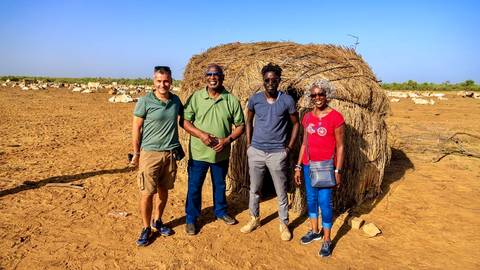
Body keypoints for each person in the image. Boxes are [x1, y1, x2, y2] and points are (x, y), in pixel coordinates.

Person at [183, 64, 245, 235]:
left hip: (221, 153)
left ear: (222, 77)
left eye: (216, 74)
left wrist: (227, 140)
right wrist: (201, 134)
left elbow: (240, 126)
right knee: (194, 186)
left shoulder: (230, 100)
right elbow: (185, 122)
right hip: (198, 153)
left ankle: (221, 212)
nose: (212, 77)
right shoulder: (196, 97)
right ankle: (191, 218)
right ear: (205, 77)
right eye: (209, 74)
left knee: (220, 184)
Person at [240, 63, 300, 241]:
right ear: (263, 81)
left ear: (279, 81)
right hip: (256, 151)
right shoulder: (255, 99)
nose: (270, 83)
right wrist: (249, 145)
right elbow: (248, 121)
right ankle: (254, 219)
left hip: (277, 153)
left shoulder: (287, 100)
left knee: (281, 191)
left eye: (274, 80)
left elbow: (296, 124)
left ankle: (283, 223)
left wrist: (288, 148)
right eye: (267, 80)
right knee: (255, 188)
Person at [131, 66, 183, 246]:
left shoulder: (176, 101)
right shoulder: (145, 101)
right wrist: (136, 153)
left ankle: (158, 221)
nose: (163, 84)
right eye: (159, 81)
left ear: (171, 81)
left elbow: (186, 120)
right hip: (150, 154)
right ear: (154, 82)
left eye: (166, 81)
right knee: (147, 193)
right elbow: (136, 128)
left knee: (163, 190)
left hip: (169, 154)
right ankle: (146, 228)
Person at [294, 79, 345, 257]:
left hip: (325, 167)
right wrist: (298, 166)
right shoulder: (307, 117)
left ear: (327, 95)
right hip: (308, 165)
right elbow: (304, 144)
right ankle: (315, 231)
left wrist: (337, 170)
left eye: (321, 94)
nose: (317, 97)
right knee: (311, 199)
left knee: (325, 202)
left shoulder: (336, 117)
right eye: (314, 95)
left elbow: (340, 146)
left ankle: (327, 239)